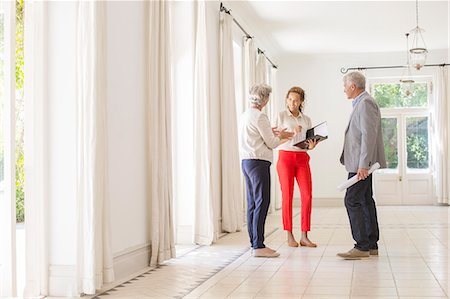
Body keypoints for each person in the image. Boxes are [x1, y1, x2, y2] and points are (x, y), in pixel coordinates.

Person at [239, 83, 294, 258]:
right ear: (265, 99)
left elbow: (255, 134)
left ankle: (254, 243)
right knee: (262, 202)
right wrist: (284, 137)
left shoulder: (246, 115)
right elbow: (271, 143)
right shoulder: (260, 116)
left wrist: (272, 132)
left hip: (247, 162)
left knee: (253, 203)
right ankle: (259, 246)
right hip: (258, 163)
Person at [337, 71, 386, 259]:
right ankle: (371, 244)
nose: (343, 90)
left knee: (352, 200)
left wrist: (364, 164)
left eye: (345, 86)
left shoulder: (365, 103)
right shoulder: (361, 103)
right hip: (359, 163)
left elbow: (368, 136)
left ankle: (362, 245)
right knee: (365, 199)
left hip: (361, 165)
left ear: (352, 86)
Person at [275, 86, 318, 248]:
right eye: (290, 99)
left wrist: (311, 146)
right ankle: (289, 235)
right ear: (287, 100)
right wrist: (291, 133)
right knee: (288, 196)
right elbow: (274, 139)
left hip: (302, 158)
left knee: (307, 196)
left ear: (301, 102)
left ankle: (304, 236)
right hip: (285, 157)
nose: (293, 103)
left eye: (296, 100)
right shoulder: (280, 116)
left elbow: (308, 141)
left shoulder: (306, 119)